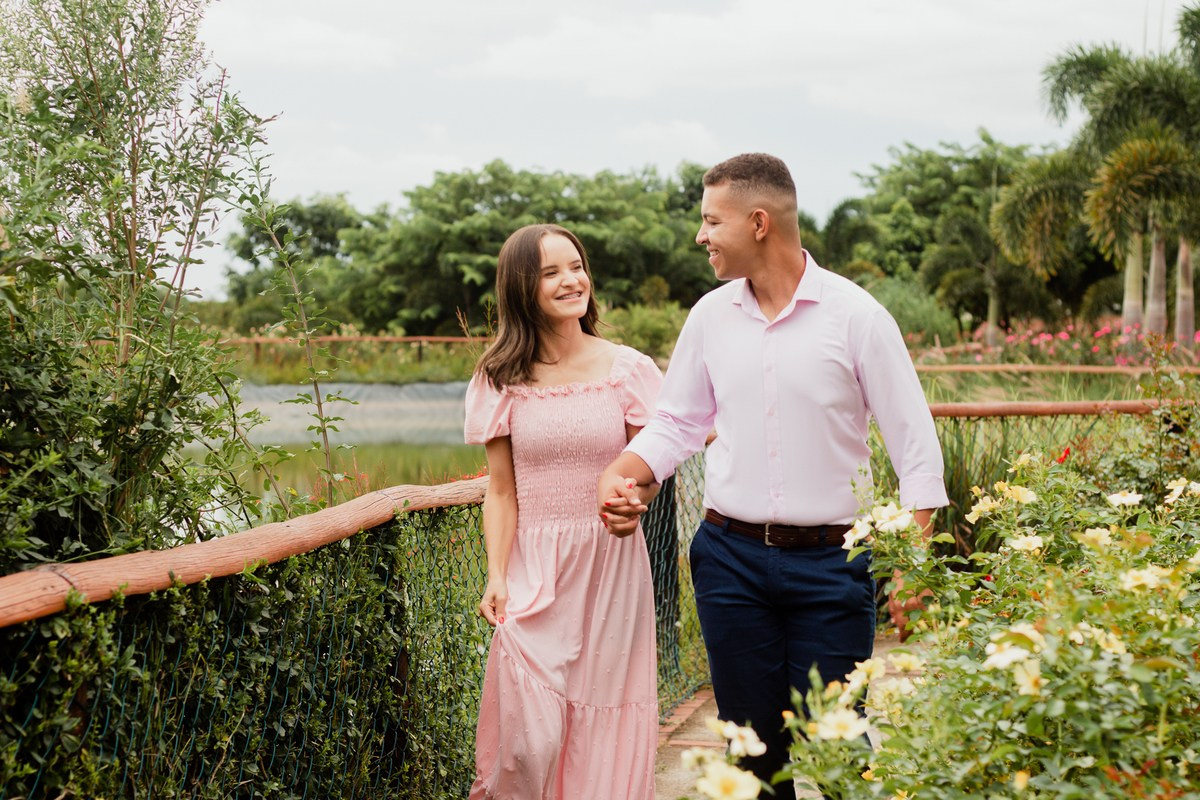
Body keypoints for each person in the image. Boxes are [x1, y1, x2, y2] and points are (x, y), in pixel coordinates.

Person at [597, 153, 948, 798]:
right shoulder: (709, 316)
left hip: (835, 565)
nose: (701, 236)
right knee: (750, 750)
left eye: (711, 221)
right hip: (729, 560)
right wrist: (627, 469)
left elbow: (915, 448)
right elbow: (677, 420)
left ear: (758, 223)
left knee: (838, 743)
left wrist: (913, 563)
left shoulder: (858, 316)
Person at [464, 223, 664, 800]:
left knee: (607, 714)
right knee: (529, 739)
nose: (571, 280)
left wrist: (636, 499)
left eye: (576, 266)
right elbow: (501, 491)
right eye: (551, 272)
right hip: (534, 568)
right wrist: (497, 574)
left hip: (611, 566)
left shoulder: (627, 370)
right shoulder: (499, 378)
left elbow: (648, 471)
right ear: (522, 288)